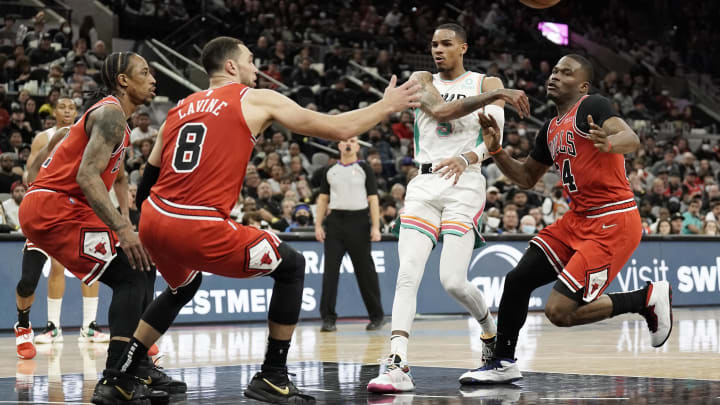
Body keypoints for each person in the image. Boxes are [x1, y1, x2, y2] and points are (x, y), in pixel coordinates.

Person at [110, 36, 420, 405]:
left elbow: (149, 174)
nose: (256, 69)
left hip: (155, 218)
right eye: (251, 60)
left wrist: (140, 226)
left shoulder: (181, 106)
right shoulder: (252, 98)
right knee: (292, 265)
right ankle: (272, 375)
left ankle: (121, 375)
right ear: (231, 67)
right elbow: (338, 129)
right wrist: (386, 106)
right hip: (197, 224)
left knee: (183, 287)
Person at [445, 54, 672, 384]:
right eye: (554, 70)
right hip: (578, 218)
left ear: (582, 85)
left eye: (566, 73)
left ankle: (645, 299)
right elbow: (525, 178)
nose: (555, 76)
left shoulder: (592, 105)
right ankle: (503, 362)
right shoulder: (549, 128)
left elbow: (631, 138)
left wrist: (609, 142)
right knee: (517, 279)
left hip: (612, 220)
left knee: (559, 312)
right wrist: (497, 151)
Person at [367, 23, 529, 393]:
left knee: (452, 281)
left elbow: (494, 141)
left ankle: (490, 331)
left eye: (446, 44)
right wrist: (500, 94)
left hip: (465, 182)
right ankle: (397, 363)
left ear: (463, 48)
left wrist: (467, 155)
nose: (437, 49)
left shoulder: (486, 83)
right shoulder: (422, 78)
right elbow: (440, 111)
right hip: (423, 183)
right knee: (408, 273)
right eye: (434, 43)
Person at [17, 52, 178, 404]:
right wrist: (123, 227)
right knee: (131, 275)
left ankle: (137, 364)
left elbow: (107, 179)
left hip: (68, 205)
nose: (154, 79)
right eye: (145, 72)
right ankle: (118, 375)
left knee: (142, 265)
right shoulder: (110, 114)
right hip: (55, 207)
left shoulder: (118, 119)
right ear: (122, 80)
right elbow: (87, 176)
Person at [17, 97, 110, 346]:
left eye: (72, 107)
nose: (67, 111)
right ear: (54, 111)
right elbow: (30, 174)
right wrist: (51, 148)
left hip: (77, 207)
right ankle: (52, 326)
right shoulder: (44, 137)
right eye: (63, 107)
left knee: (91, 263)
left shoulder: (87, 135)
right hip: (49, 207)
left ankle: (89, 325)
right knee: (54, 268)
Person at [315, 136, 384, 332]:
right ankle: (328, 318)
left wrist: (375, 227)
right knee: (330, 273)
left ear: (357, 146)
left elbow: (373, 199)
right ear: (338, 145)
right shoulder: (330, 170)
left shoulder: (365, 168)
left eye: (352, 141)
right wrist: (318, 225)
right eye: (344, 141)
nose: (348, 144)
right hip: (335, 223)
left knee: (366, 272)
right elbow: (322, 199)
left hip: (359, 222)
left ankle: (376, 316)